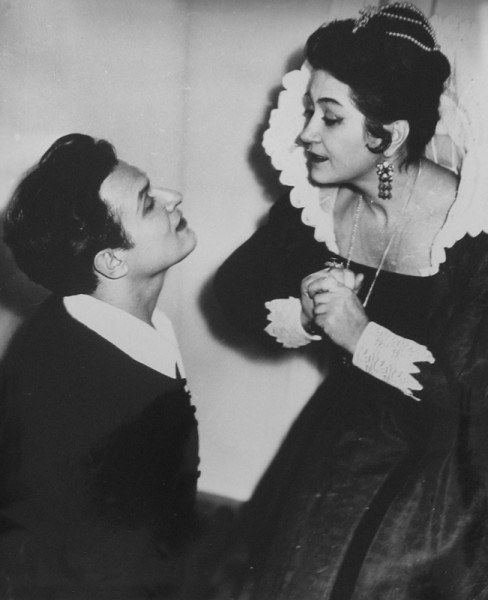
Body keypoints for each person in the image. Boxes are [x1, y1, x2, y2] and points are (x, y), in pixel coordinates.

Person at [214, 4, 488, 599]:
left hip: (444, 480)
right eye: (310, 109)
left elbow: (472, 400)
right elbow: (233, 292)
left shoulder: (470, 237)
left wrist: (363, 337)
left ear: (389, 136)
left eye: (330, 117)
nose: (306, 132)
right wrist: (309, 315)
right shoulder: (320, 207)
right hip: (341, 438)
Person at [0, 133, 200, 599]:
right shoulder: (96, 402)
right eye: (148, 202)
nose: (173, 196)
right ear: (110, 261)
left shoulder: (82, 320)